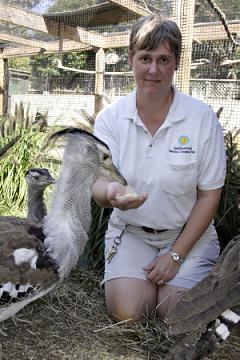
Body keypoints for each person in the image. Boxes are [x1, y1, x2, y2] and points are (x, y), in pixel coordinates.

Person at [92, 15, 226, 322]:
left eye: (164, 59)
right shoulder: (111, 119)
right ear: (131, 61)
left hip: (188, 235)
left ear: (176, 63)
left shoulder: (202, 120)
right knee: (128, 314)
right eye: (145, 58)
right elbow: (97, 183)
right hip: (131, 233)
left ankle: (178, 281)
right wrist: (111, 192)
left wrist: (175, 256)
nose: (154, 70)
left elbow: (209, 197)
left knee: (175, 314)